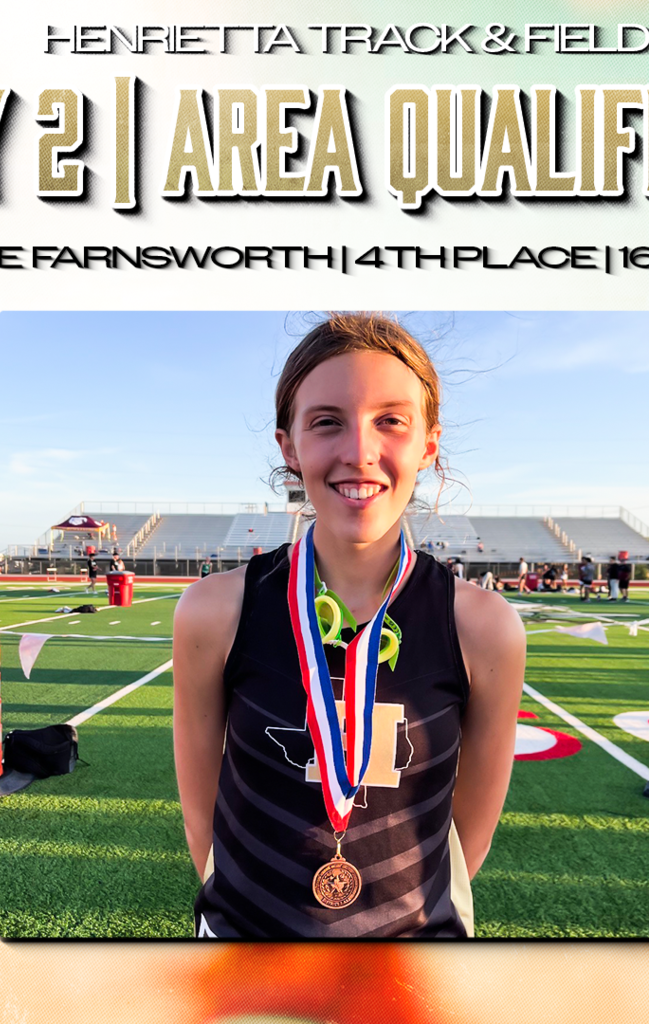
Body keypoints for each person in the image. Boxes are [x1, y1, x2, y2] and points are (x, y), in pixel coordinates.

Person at [173, 313, 525, 939]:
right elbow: (202, 816)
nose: (359, 451)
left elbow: (470, 834)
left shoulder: (483, 626)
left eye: (391, 420)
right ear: (289, 445)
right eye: (327, 421)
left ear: (428, 445)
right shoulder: (214, 611)